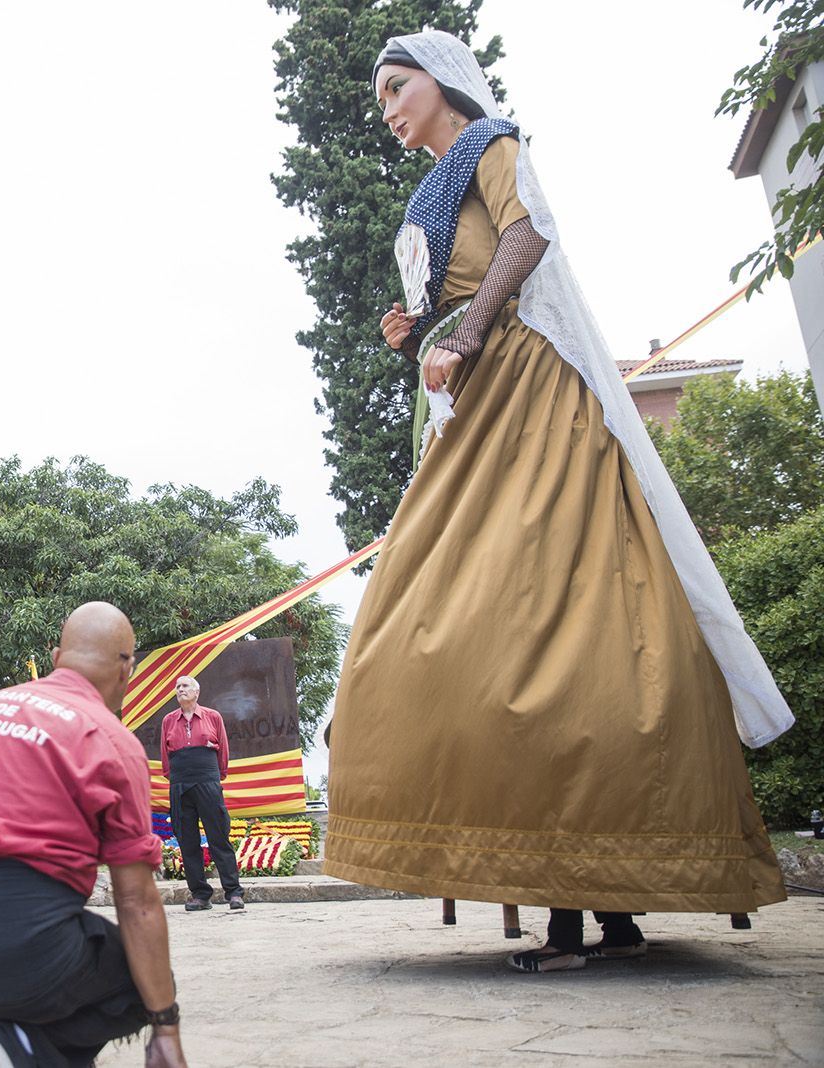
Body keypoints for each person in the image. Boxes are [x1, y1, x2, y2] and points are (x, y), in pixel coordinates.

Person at [324, 29, 791, 973]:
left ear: (441, 80)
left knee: (551, 614)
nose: (388, 109)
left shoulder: (491, 142)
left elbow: (531, 235)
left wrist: (468, 333)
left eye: (398, 87)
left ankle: (589, 916)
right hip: (475, 399)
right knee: (436, 622)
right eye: (379, 98)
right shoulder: (432, 189)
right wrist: (419, 331)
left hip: (531, 386)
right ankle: (593, 909)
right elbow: (465, 284)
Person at [0, 602, 188, 1068]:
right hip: (22, 949)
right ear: (126, 668)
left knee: (53, 977)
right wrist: (165, 1024)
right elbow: (137, 902)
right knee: (142, 979)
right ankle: (21, 1044)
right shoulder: (113, 742)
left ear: (56, 658)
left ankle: (26, 1049)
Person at [159, 675, 243, 912]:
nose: (180, 689)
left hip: (207, 781)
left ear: (196, 692)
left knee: (218, 837)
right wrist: (175, 778)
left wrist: (216, 776)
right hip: (180, 784)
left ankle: (234, 892)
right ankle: (200, 895)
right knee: (187, 841)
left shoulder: (212, 716)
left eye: (185, 686)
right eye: (177, 687)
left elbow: (223, 749)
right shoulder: (168, 720)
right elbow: (165, 755)